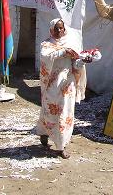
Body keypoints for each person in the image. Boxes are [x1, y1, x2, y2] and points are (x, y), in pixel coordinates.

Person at [35, 18, 87, 159]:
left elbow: (75, 63)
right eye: (56, 28)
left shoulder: (70, 44)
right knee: (49, 110)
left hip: (67, 84)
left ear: (64, 29)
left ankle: (61, 146)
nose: (59, 31)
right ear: (51, 30)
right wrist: (64, 52)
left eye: (61, 28)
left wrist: (83, 60)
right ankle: (44, 132)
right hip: (52, 84)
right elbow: (45, 57)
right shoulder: (46, 44)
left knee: (65, 112)